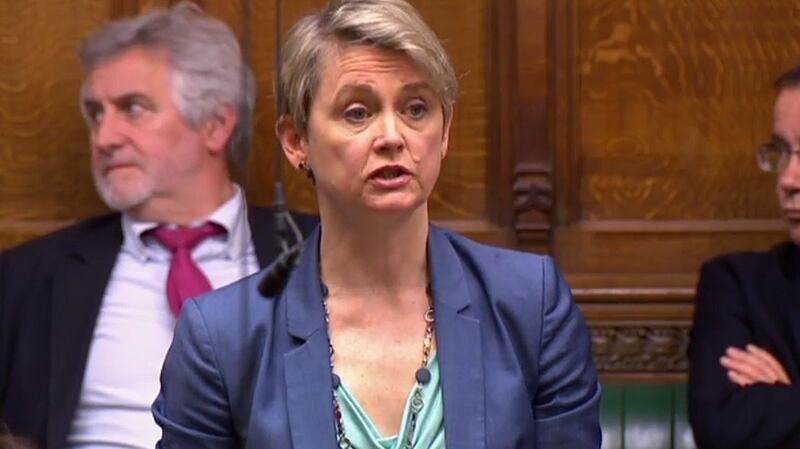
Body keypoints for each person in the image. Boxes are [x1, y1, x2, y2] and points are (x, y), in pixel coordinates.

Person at [152, 0, 601, 447]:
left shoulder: (530, 305)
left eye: (417, 108)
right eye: (358, 113)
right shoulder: (222, 338)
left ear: (444, 132)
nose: (392, 136)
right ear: (296, 142)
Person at [0, 3, 316, 449]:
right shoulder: (25, 279)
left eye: (132, 108)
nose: (104, 138)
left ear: (215, 124)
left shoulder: (321, 254)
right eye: (95, 114)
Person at [688, 64, 800, 449]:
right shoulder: (735, 284)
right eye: (783, 152)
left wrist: (784, 398)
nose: (788, 179)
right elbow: (724, 429)